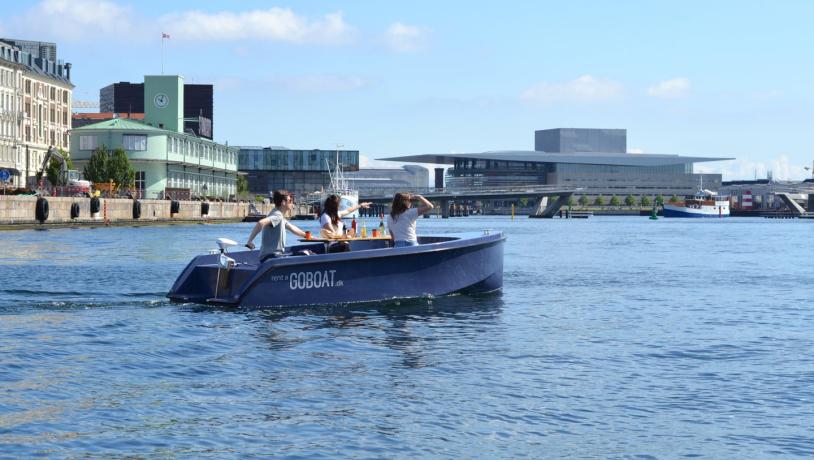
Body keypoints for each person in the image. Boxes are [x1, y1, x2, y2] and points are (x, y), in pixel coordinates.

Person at [245, 189, 307, 260]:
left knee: (303, 253)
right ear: (283, 202)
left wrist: (311, 237)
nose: (292, 203)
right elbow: (261, 223)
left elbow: (293, 228)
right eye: (290, 201)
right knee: (305, 253)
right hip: (271, 258)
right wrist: (249, 241)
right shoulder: (278, 216)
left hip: (271, 257)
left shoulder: (278, 215)